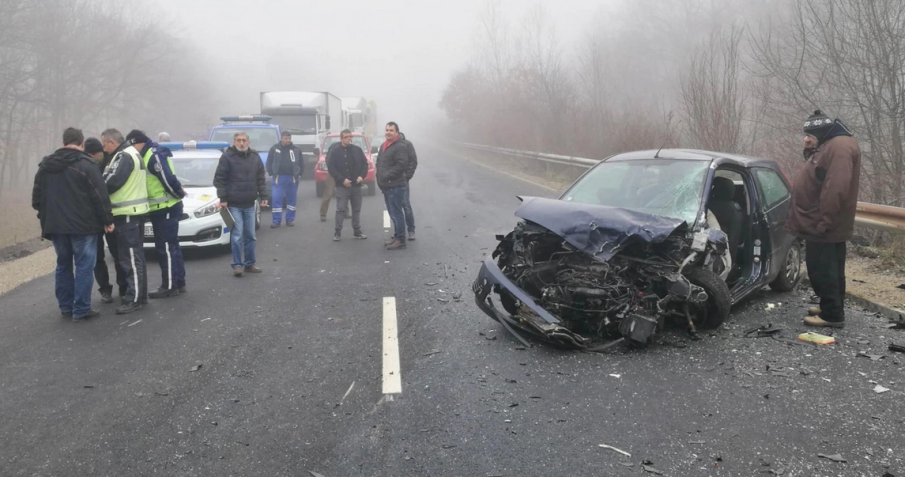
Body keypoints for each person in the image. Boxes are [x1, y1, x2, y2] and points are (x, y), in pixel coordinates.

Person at [787, 109, 861, 328]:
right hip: (824, 222)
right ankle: (832, 306)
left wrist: (824, 221)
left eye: (810, 134)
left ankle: (832, 315)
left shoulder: (838, 148)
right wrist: (811, 148)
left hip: (824, 224)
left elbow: (835, 188)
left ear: (820, 132)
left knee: (823, 269)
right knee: (831, 268)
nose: (806, 138)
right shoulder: (831, 145)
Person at [32, 128, 114, 322]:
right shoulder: (87, 165)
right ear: (82, 143)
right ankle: (82, 309)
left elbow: (36, 200)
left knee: (63, 265)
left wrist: (49, 216)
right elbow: (99, 196)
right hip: (83, 226)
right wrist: (107, 220)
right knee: (84, 266)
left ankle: (66, 308)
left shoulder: (45, 166)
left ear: (63, 142)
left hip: (56, 226)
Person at [126, 130, 187, 298]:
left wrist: (179, 194)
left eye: (132, 145)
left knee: (165, 248)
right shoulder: (149, 153)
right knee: (173, 246)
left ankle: (169, 286)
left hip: (165, 207)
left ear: (137, 143)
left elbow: (167, 179)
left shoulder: (152, 156)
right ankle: (178, 282)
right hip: (163, 207)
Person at [102, 128, 150, 314]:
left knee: (129, 259)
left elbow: (111, 182)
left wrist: (98, 185)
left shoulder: (123, 156)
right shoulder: (129, 153)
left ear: (112, 142)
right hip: (133, 213)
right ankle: (140, 295)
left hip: (127, 214)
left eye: (104, 144)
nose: (104, 149)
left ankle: (134, 298)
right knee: (135, 257)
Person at [214, 132, 268, 277]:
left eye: (244, 140)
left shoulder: (255, 157)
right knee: (237, 235)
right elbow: (219, 179)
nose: (241, 143)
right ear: (234, 142)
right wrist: (223, 198)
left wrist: (264, 196)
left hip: (250, 203)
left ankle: (249, 264)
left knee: (251, 236)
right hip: (233, 204)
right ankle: (238, 265)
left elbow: (260, 178)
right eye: (238, 140)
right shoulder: (227, 157)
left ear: (248, 142)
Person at [85, 137, 125, 303]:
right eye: (92, 154)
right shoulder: (85, 166)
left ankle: (123, 287)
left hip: (109, 214)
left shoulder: (111, 162)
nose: (95, 157)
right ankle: (105, 289)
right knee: (98, 257)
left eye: (97, 154)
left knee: (117, 253)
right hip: (94, 218)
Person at [327, 129, 368, 241]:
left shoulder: (357, 150)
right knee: (340, 209)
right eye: (346, 137)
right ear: (341, 138)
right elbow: (331, 167)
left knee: (356, 209)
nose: (349, 139)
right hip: (342, 185)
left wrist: (361, 176)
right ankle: (337, 232)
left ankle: (357, 231)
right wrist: (342, 179)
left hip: (356, 185)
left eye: (350, 136)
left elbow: (365, 164)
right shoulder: (335, 151)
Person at [376, 122, 411, 250]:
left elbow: (402, 165)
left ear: (397, 132)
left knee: (397, 213)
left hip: (396, 185)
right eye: (387, 130)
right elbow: (379, 162)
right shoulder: (384, 145)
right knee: (392, 213)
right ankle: (397, 236)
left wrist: (386, 175)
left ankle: (401, 240)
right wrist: (379, 176)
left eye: (391, 130)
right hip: (387, 186)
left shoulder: (400, 147)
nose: (388, 132)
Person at [267, 131, 303, 228]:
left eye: (289, 138)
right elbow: (269, 161)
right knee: (276, 199)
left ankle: (290, 220)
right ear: (281, 138)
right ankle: (276, 221)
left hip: (292, 178)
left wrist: (299, 174)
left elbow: (301, 163)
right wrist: (271, 173)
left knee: (292, 200)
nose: (287, 140)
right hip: (279, 178)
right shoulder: (274, 148)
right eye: (285, 138)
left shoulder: (296, 149)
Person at [319, 141, 351, 222]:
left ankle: (345, 212)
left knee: (344, 192)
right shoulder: (334, 148)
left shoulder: (350, 148)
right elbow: (328, 160)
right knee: (329, 192)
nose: (348, 140)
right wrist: (333, 171)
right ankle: (323, 213)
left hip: (343, 173)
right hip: (333, 173)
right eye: (346, 138)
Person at [399, 132, 418, 241]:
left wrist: (407, 176)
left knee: (406, 204)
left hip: (403, 180)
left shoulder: (407, 144)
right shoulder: (388, 145)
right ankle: (399, 231)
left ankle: (411, 230)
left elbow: (413, 161)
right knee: (395, 208)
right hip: (391, 181)